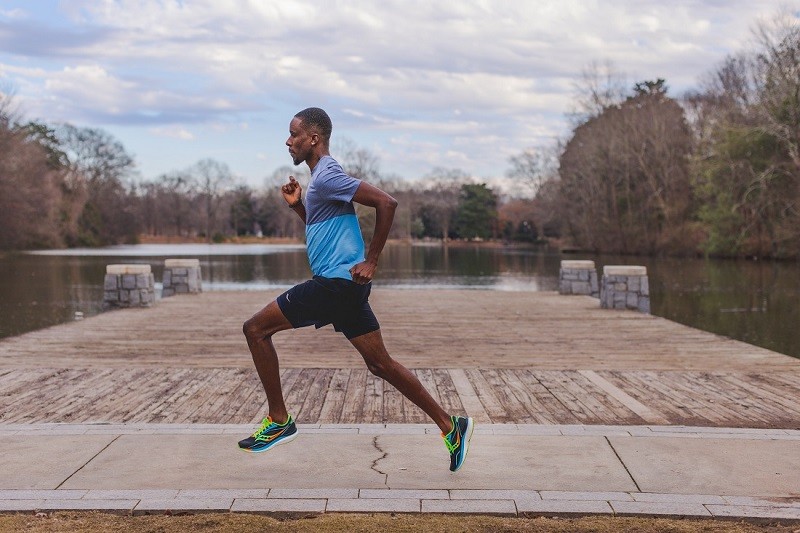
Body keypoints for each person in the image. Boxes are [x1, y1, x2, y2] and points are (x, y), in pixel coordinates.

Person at [238, 107, 474, 472]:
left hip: (335, 284)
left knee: (255, 329)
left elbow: (387, 202)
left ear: (313, 139)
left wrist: (373, 259)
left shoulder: (329, 175)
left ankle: (280, 420)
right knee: (380, 363)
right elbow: (325, 229)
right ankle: (450, 426)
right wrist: (298, 206)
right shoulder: (320, 182)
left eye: (294, 134)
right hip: (344, 287)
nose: (288, 141)